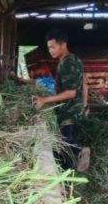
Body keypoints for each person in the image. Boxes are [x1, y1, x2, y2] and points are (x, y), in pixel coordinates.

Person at [33, 29, 90, 172]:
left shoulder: (67, 63)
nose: (50, 51)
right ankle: (74, 163)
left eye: (53, 47)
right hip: (75, 109)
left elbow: (71, 93)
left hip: (68, 111)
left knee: (65, 145)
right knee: (65, 141)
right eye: (49, 48)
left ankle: (75, 161)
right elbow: (84, 84)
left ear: (63, 45)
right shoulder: (75, 60)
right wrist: (84, 105)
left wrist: (44, 100)